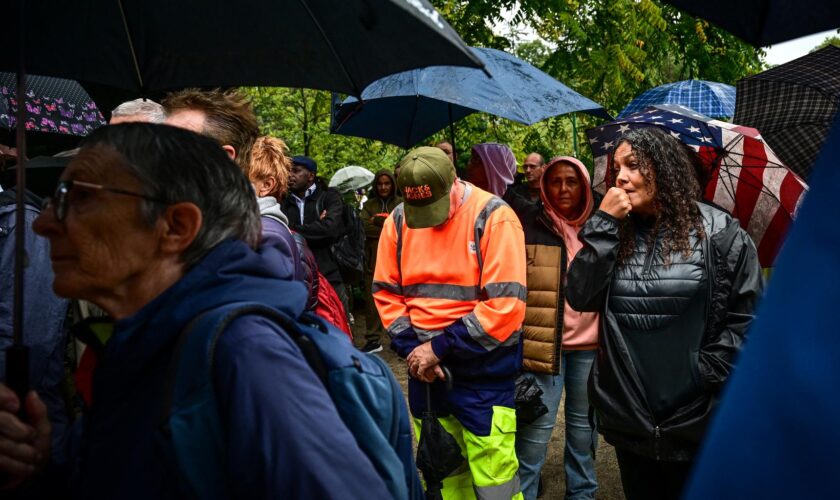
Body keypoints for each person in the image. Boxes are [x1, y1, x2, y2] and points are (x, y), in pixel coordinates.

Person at [0, 123, 389, 498]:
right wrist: (47, 464)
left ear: (176, 226)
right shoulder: (136, 341)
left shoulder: (246, 355)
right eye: (53, 199)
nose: (45, 223)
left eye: (78, 198)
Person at [565, 127, 763, 500]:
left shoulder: (721, 234)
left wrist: (702, 374)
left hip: (696, 421)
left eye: (634, 165)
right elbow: (579, 295)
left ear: (665, 169)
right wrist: (604, 225)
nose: (620, 176)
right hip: (631, 420)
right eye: (617, 167)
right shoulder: (614, 233)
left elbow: (748, 321)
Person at [374, 146, 526, 499]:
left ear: (454, 182)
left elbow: (505, 306)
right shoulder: (398, 221)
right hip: (427, 377)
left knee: (496, 480)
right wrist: (415, 352)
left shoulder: (494, 216)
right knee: (444, 474)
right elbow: (386, 293)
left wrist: (438, 349)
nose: (428, 219)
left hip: (483, 374)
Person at [516, 156, 599, 500]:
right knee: (535, 432)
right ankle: (523, 494)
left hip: (591, 348)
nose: (563, 188)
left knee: (584, 432)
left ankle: (581, 494)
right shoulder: (528, 224)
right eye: (555, 181)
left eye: (572, 181)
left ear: (585, 186)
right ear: (544, 186)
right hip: (542, 344)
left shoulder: (602, 228)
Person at [281, 155, 350, 313]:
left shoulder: (329, 196)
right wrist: (316, 227)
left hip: (329, 273)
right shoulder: (283, 200)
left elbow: (329, 229)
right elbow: (281, 230)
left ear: (311, 176)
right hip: (295, 276)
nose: (290, 175)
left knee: (339, 324)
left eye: (296, 171)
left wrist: (293, 228)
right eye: (288, 171)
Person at [359, 169, 401, 353]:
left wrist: (378, 222)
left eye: (387, 183)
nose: (383, 187)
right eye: (380, 183)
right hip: (373, 258)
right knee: (372, 298)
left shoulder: (401, 204)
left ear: (393, 184)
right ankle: (373, 338)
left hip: (399, 258)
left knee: (400, 297)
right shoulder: (369, 205)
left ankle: (401, 337)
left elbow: (404, 228)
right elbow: (363, 228)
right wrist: (388, 225)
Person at [504, 152, 545, 218]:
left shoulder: (550, 194)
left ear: (543, 168)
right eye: (525, 167)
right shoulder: (515, 193)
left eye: (532, 166)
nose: (528, 170)